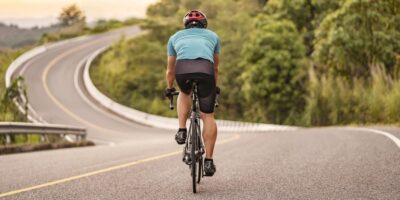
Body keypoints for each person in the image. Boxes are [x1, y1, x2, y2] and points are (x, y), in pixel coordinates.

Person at [164, 10, 220, 177]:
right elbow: (216, 67)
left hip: (183, 70)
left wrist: (169, 87)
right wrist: (213, 86)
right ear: (204, 24)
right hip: (206, 71)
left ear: (185, 25)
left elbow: (170, 70)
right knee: (208, 116)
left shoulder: (174, 37)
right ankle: (209, 162)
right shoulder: (213, 36)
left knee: (184, 92)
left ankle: (182, 129)